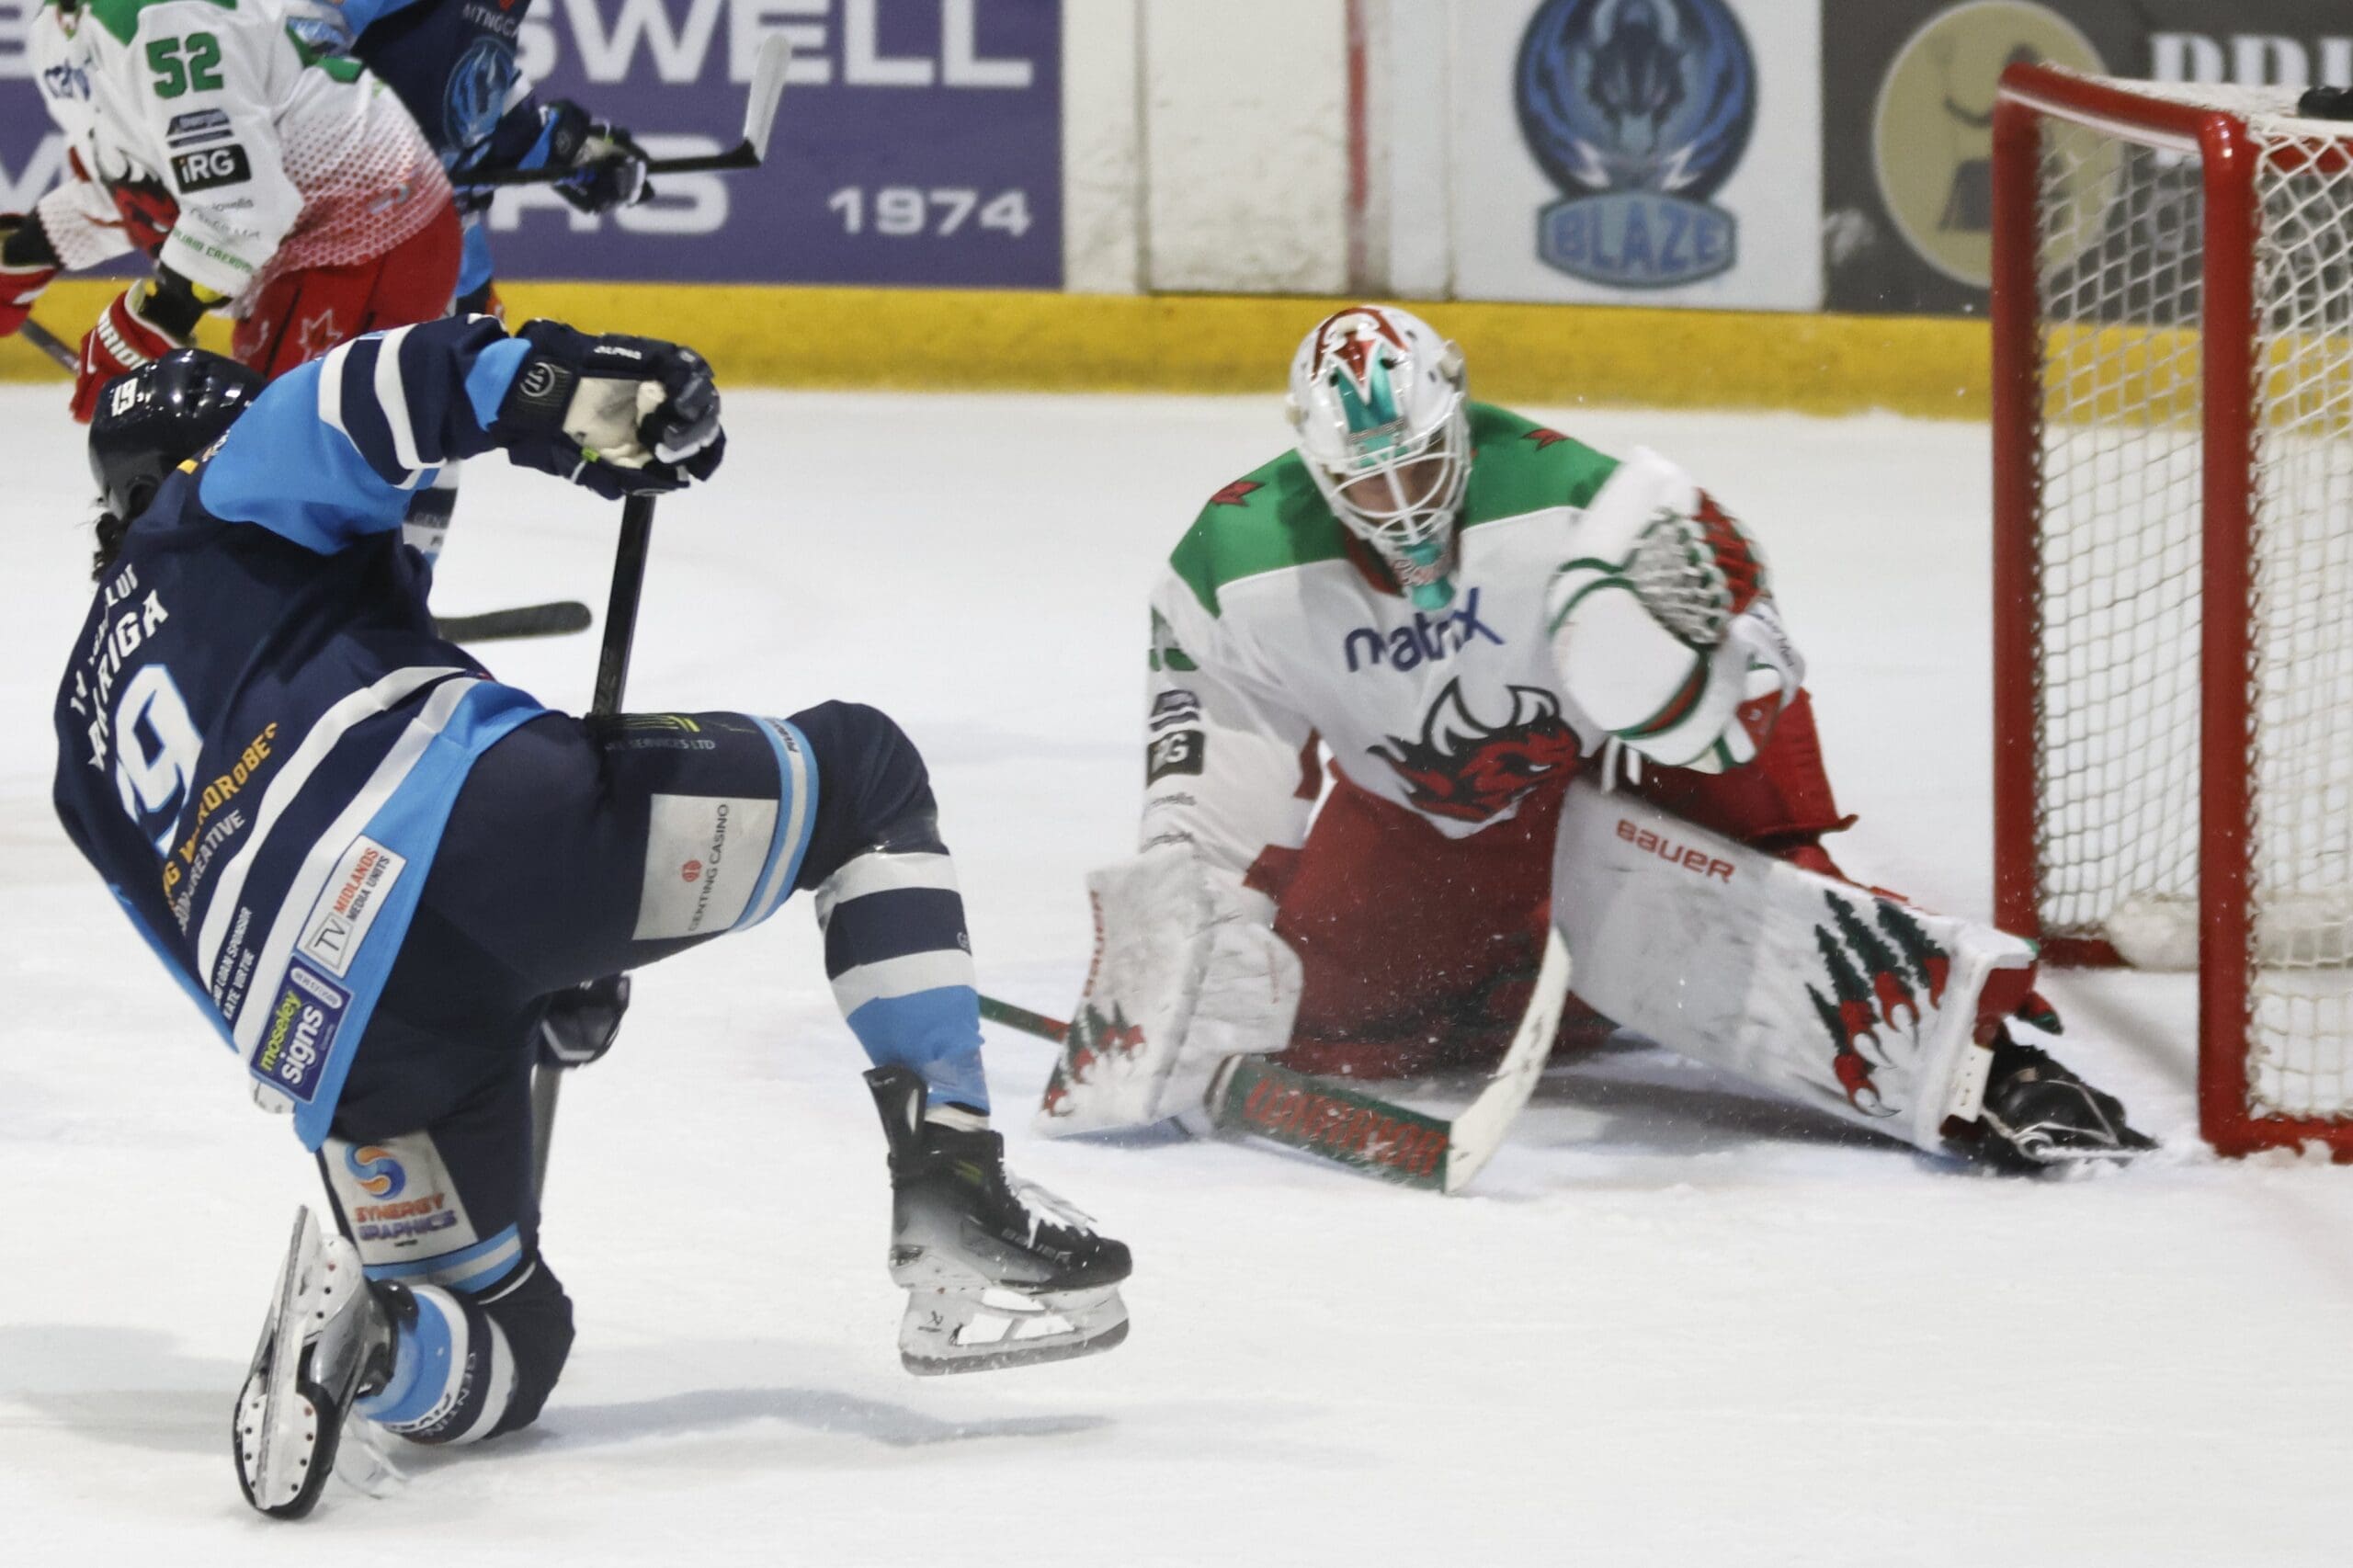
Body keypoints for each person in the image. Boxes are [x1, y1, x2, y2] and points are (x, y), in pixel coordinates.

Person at [51, 316, 1131, 1520]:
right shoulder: (225, 485)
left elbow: (192, 951)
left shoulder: (76, 747)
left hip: (338, 1038)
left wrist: (516, 973)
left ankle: (377, 1342)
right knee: (865, 778)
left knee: (511, 1342)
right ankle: (954, 1179)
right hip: (465, 835)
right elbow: (368, 390)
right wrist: (578, 395)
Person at [1036, 302, 2150, 1172]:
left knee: (1765, 874)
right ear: (1315, 468)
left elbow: (1759, 677)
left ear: (1457, 416)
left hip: (1634, 771)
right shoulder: (1231, 566)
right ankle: (1533, 968)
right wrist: (1174, 953)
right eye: (1367, 484)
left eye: (1420, 464)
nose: (1403, 506)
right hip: (1427, 814)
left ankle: (1978, 1057)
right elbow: (1208, 807)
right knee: (1319, 1015)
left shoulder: (1582, 501)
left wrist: (1704, 696)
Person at [5, 0, 460, 422]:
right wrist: (25, 256)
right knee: (249, 459)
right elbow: (145, 180)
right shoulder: (56, 31)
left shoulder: (169, 15)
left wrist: (156, 318)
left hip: (370, 226)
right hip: (300, 246)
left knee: (273, 460)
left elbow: (240, 207)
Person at [279, 0, 653, 319]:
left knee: (477, 365)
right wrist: (377, 155)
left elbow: (472, 89)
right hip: (335, 253)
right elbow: (299, 44)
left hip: (437, 258)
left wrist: (568, 151)